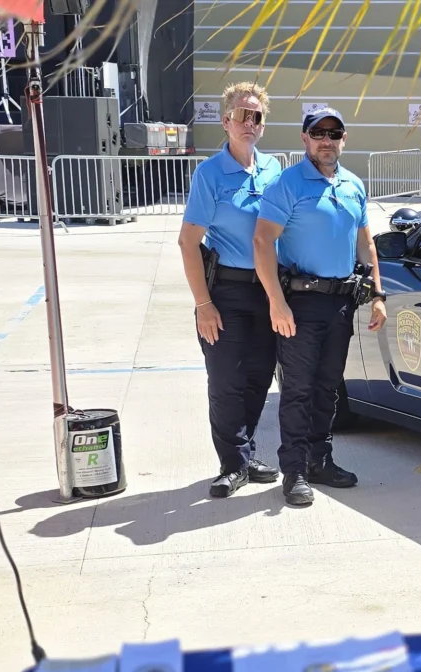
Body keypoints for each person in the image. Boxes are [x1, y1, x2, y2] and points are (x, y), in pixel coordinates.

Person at [252, 107, 387, 507]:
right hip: (300, 303)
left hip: (340, 304)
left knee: (327, 389)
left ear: (344, 139)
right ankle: (293, 470)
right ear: (304, 138)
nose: (326, 140)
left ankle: (319, 461)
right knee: (297, 390)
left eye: (334, 133)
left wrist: (377, 295)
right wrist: (276, 302)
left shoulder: (353, 185)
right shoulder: (287, 184)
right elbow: (262, 242)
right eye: (318, 133)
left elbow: (367, 244)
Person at [179, 82, 285, 499]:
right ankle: (232, 464)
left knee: (259, 378)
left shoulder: (275, 170)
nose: (249, 122)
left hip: (269, 292)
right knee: (226, 381)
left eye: (256, 116)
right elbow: (189, 242)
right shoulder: (209, 174)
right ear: (225, 121)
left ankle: (245, 453)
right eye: (242, 114)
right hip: (225, 293)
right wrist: (203, 304)